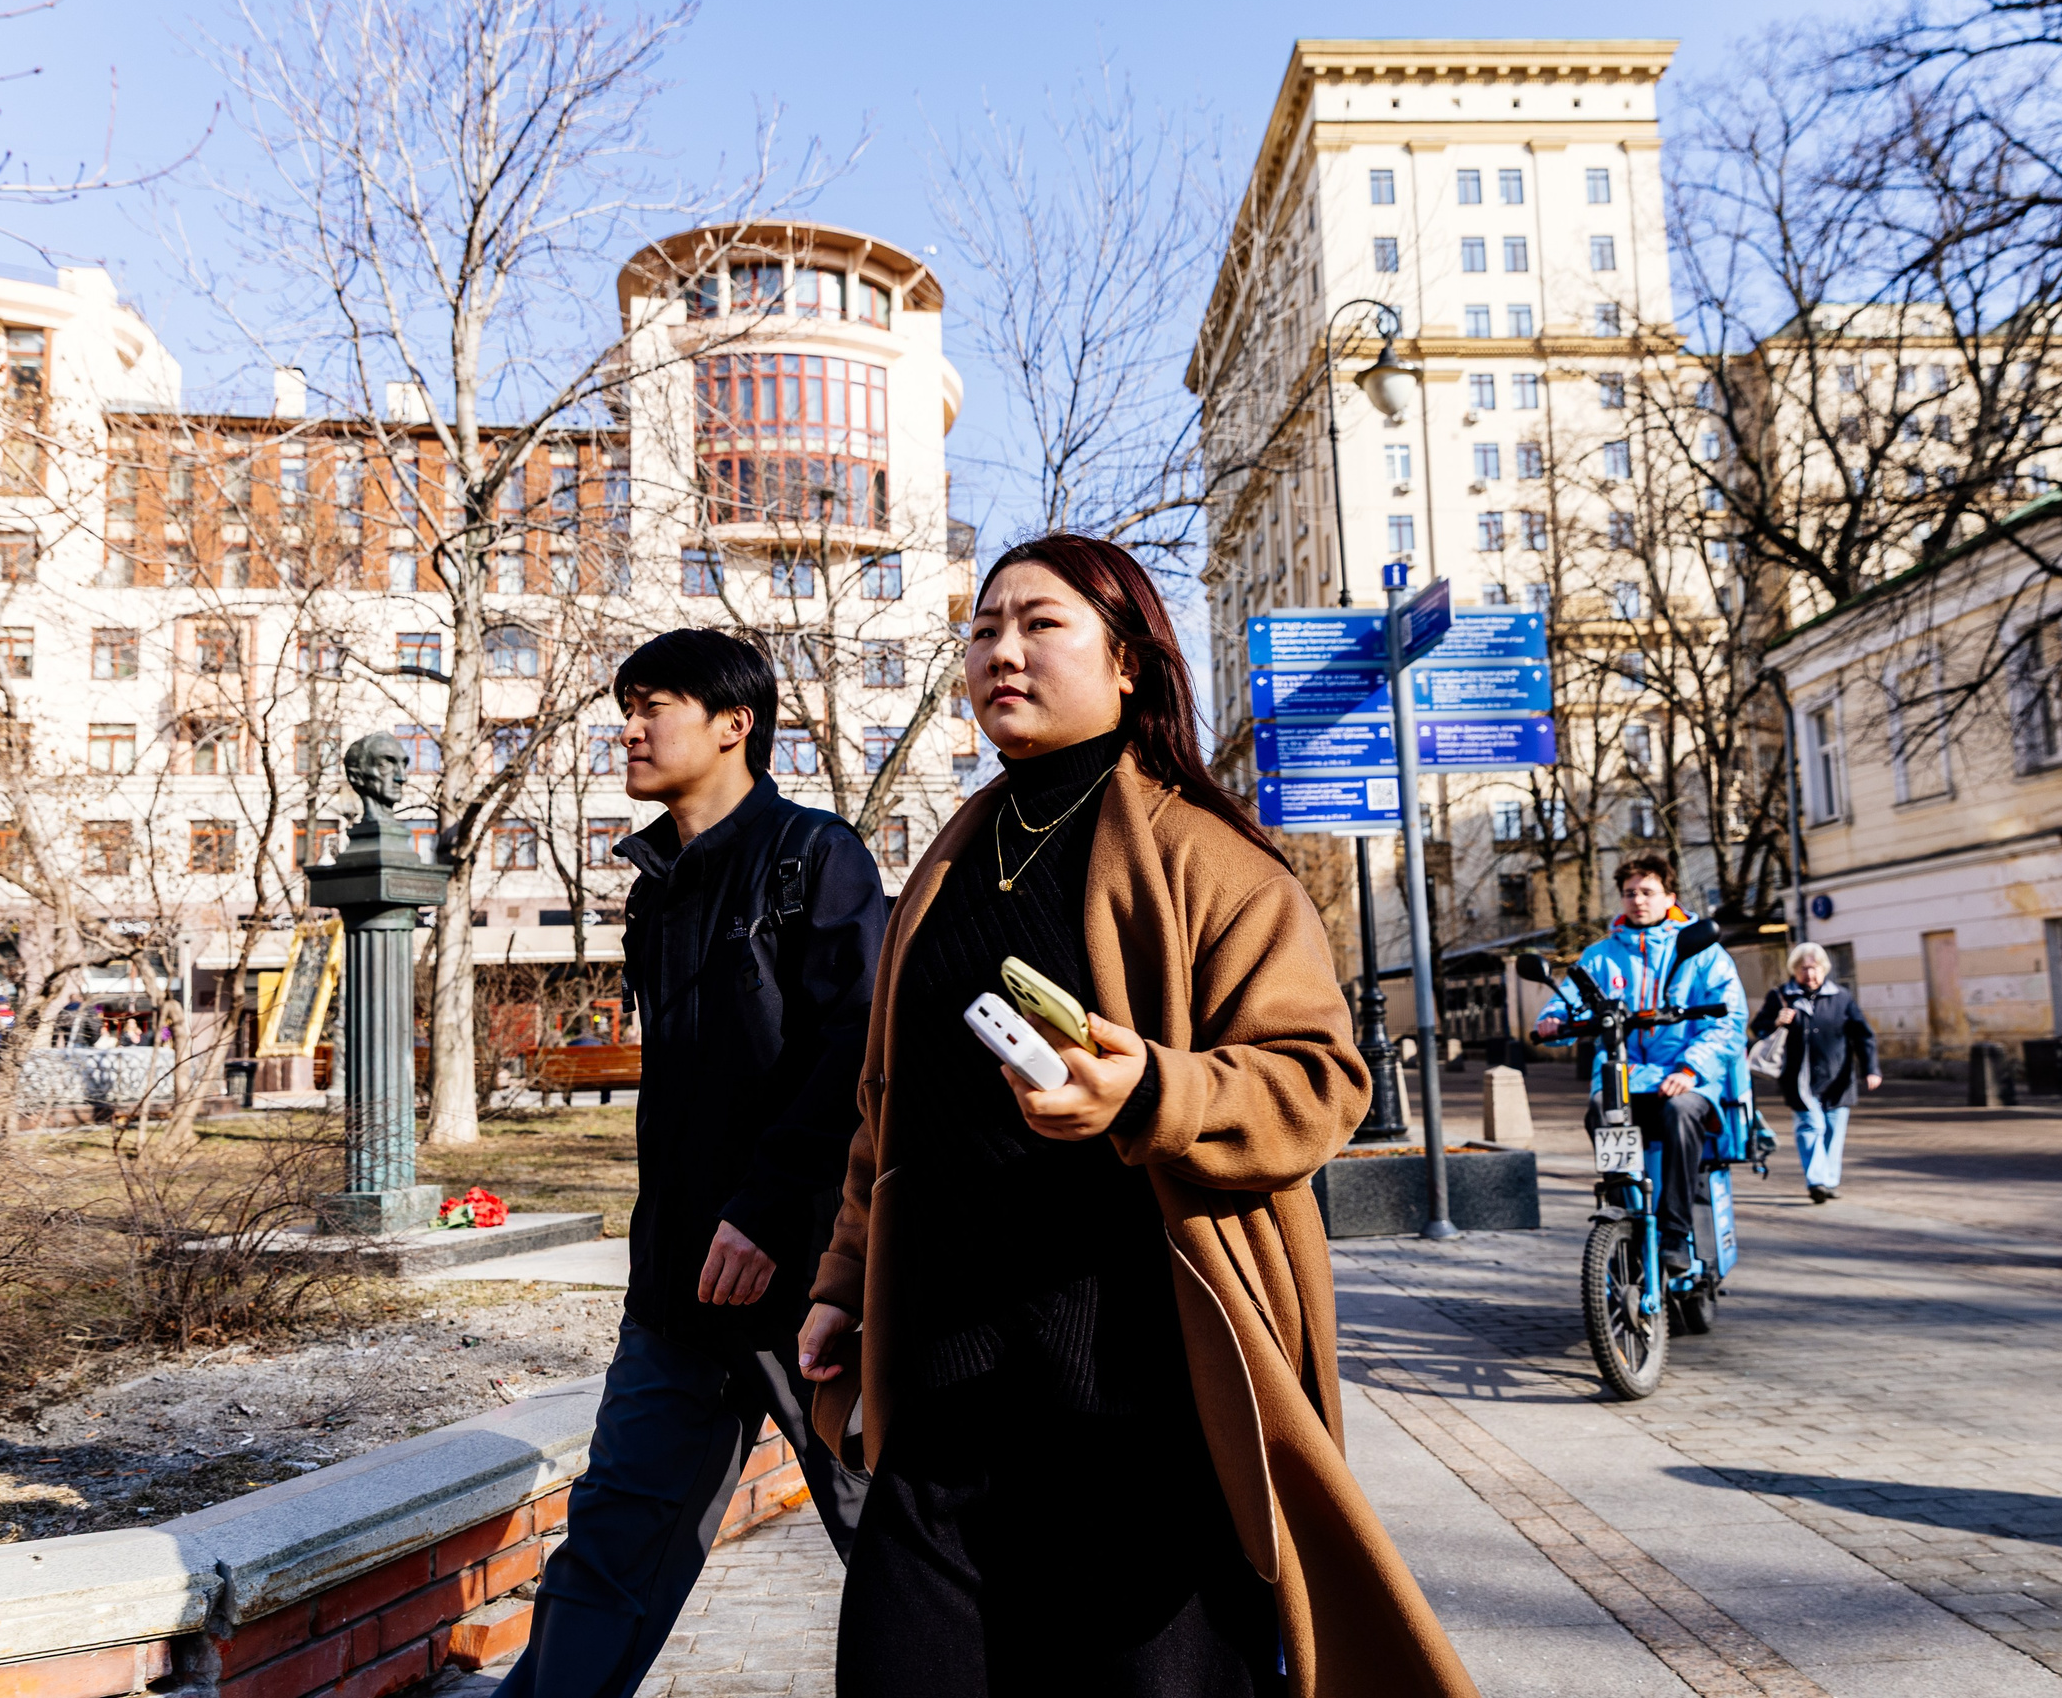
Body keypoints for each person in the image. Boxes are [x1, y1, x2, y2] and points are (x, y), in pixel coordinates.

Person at [797, 535, 1477, 1698]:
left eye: (1040, 624)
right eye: (982, 628)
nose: (1000, 650)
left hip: (1140, 1415)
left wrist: (1154, 1092)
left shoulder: (1212, 863)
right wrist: (840, 1280)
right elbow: (885, 1118)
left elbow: (1319, 1082)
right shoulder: (946, 867)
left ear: (1128, 663)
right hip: (947, 1407)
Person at [498, 628, 883, 1698]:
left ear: (733, 722)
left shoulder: (817, 857)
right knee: (612, 1543)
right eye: (623, 706)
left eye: (651, 705)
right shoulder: (655, 887)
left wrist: (766, 1213)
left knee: (893, 1542)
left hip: (811, 1287)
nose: (626, 727)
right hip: (678, 1286)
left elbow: (858, 1053)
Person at [1532, 856, 1747, 1273]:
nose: (1638, 900)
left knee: (1681, 1114)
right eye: (1630, 892)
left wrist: (1690, 1070)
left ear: (1670, 896)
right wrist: (1554, 1020)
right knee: (1599, 1111)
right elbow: (1572, 999)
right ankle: (1623, 1214)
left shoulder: (1702, 950)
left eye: (1647, 892)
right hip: (1623, 1079)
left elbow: (1730, 1022)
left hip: (1684, 1080)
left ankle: (1673, 1233)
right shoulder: (1601, 954)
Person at [1754, 941, 1880, 1203]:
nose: (1809, 974)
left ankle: (1829, 1180)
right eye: (1803, 968)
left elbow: (1863, 1035)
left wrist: (1871, 1069)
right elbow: (1758, 1028)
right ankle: (1817, 1182)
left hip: (1838, 1078)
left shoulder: (1841, 997)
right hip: (1799, 1078)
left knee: (1833, 1132)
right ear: (1794, 970)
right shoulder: (1781, 996)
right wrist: (1777, 1020)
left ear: (1824, 969)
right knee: (1811, 1127)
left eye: (1814, 968)